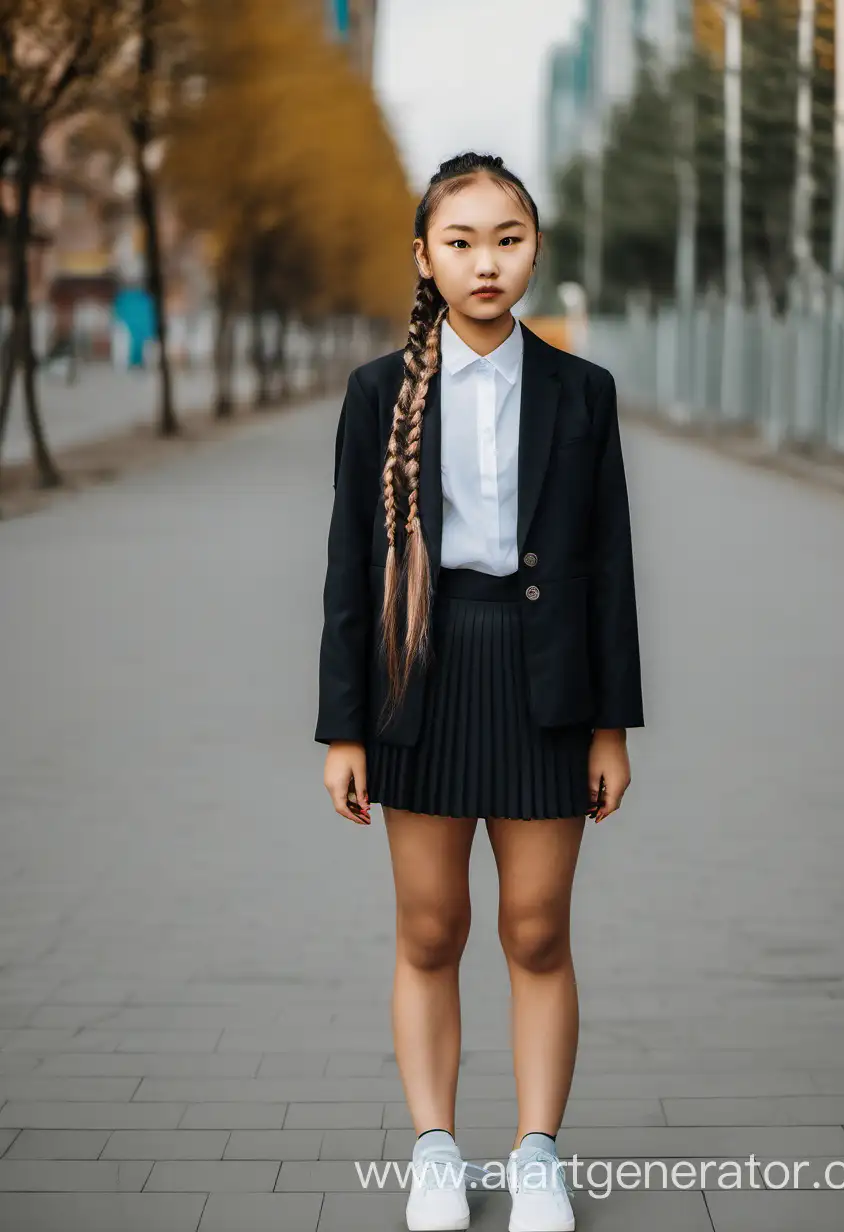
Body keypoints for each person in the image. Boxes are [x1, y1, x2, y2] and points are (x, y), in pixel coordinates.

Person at [315, 151, 644, 1232]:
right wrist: (343, 730)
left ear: (534, 248)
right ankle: (434, 1151)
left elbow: (607, 568)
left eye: (506, 237)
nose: (485, 261)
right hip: (421, 672)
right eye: (459, 241)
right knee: (428, 927)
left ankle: (538, 1150)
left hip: (547, 677)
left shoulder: (581, 393)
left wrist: (611, 726)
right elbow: (349, 571)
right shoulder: (378, 394)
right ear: (424, 257)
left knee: (538, 928)